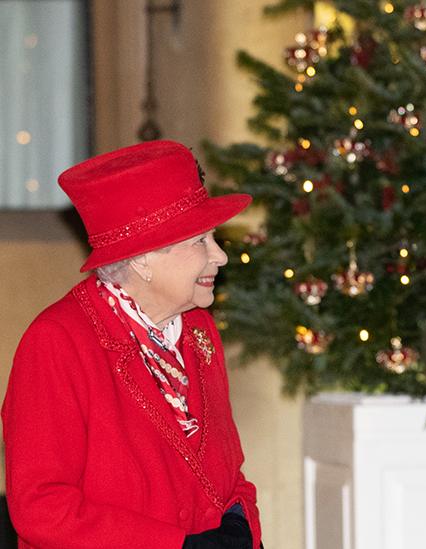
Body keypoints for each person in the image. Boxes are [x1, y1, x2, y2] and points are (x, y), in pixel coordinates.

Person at [3, 140, 261, 548]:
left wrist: (241, 526)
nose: (220, 257)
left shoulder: (198, 329)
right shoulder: (57, 342)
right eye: (201, 241)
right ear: (143, 257)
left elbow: (229, 475)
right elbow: (41, 507)